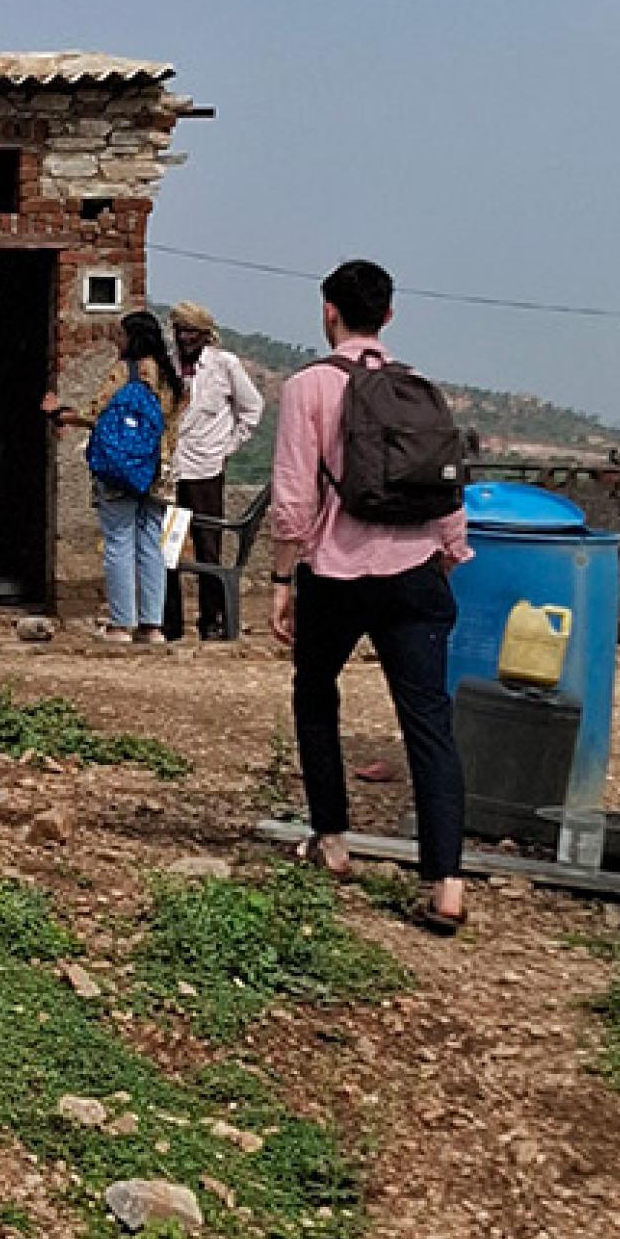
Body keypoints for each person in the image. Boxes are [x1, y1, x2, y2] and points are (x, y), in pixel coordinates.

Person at [268, 258, 471, 934]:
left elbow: (293, 498)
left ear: (329, 310)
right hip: (415, 571)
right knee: (429, 721)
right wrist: (447, 554)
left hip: (335, 573)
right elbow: (447, 488)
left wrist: (281, 579)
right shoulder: (419, 388)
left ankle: (331, 840)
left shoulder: (308, 387)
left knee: (315, 694)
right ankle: (446, 884)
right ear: (388, 315)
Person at [43, 310, 184, 643]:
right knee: (152, 545)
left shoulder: (125, 371)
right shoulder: (168, 377)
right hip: (157, 469)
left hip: (120, 469)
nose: (117, 341)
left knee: (119, 541)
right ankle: (152, 625)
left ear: (131, 338)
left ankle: (121, 623)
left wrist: (59, 412)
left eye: (121, 335)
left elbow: (96, 413)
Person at [162, 301, 264, 641]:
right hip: (172, 469)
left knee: (208, 546)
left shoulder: (224, 365)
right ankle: (170, 621)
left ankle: (212, 618)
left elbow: (252, 409)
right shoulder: (168, 365)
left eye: (191, 332)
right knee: (169, 546)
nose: (184, 338)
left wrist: (226, 448)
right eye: (180, 331)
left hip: (205, 469)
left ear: (205, 335)